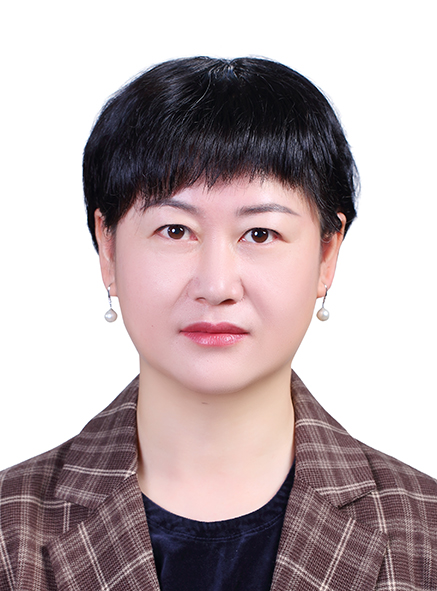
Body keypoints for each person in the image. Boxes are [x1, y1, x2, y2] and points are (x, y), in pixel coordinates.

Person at [0, 57, 435, 591]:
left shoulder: (424, 532)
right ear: (108, 248)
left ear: (327, 254)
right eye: (175, 230)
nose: (216, 284)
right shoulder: (10, 531)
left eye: (259, 234)